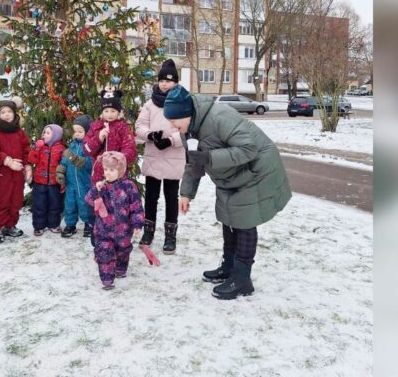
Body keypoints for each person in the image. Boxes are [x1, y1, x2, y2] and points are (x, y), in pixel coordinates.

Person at [163, 85, 291, 300]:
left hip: (256, 170)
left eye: (175, 122)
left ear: (187, 114)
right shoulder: (190, 128)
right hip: (231, 174)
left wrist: (210, 158)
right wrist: (186, 194)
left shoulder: (220, 117)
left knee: (244, 221)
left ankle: (242, 280)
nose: (173, 128)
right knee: (228, 217)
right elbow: (194, 161)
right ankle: (229, 267)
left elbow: (248, 149)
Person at [134, 59, 185, 254]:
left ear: (176, 82)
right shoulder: (149, 104)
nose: (164, 83)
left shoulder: (183, 102)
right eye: (162, 80)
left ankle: (170, 235)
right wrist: (150, 135)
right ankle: (149, 231)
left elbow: (187, 130)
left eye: (169, 80)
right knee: (152, 197)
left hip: (173, 156)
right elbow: (139, 125)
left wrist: (171, 140)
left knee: (171, 197)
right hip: (154, 155)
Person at [84, 151, 145, 290]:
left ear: (121, 170)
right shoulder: (102, 186)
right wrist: (95, 190)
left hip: (124, 229)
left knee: (123, 250)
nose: (108, 173)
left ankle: (120, 269)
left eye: (112, 170)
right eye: (106, 169)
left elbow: (136, 206)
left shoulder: (129, 186)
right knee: (104, 252)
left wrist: (137, 224)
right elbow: (88, 200)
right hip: (103, 229)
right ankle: (107, 279)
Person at [0, 96, 30, 244]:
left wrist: (27, 166)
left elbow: (26, 150)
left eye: (9, 111)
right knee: (2, 200)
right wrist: (8, 161)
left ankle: (10, 225)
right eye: (3, 112)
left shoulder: (20, 133)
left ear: (14, 113)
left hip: (17, 174)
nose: (6, 114)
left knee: (16, 200)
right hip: (2, 174)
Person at [82, 89, 137, 186]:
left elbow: (130, 149)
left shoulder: (123, 128)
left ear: (119, 112)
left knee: (115, 199)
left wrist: (117, 160)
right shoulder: (95, 126)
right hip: (98, 174)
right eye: (106, 111)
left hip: (117, 174)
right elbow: (87, 149)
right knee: (99, 199)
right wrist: (98, 138)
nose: (109, 114)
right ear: (102, 112)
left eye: (113, 111)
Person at [57, 115, 95, 239]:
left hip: (84, 183)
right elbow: (65, 160)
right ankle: (70, 224)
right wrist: (61, 171)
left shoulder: (89, 146)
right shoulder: (72, 146)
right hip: (71, 183)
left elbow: (91, 162)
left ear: (88, 132)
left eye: (80, 131)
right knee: (70, 204)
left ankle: (88, 224)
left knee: (84, 203)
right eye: (75, 131)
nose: (76, 134)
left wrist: (78, 160)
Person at [27, 123, 66, 235]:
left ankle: (53, 224)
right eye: (44, 132)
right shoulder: (40, 147)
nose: (44, 135)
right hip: (40, 182)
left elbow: (64, 166)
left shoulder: (61, 149)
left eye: (48, 133)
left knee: (55, 204)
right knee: (39, 204)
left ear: (56, 135)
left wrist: (63, 182)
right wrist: (36, 147)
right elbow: (31, 159)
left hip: (55, 183)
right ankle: (39, 226)